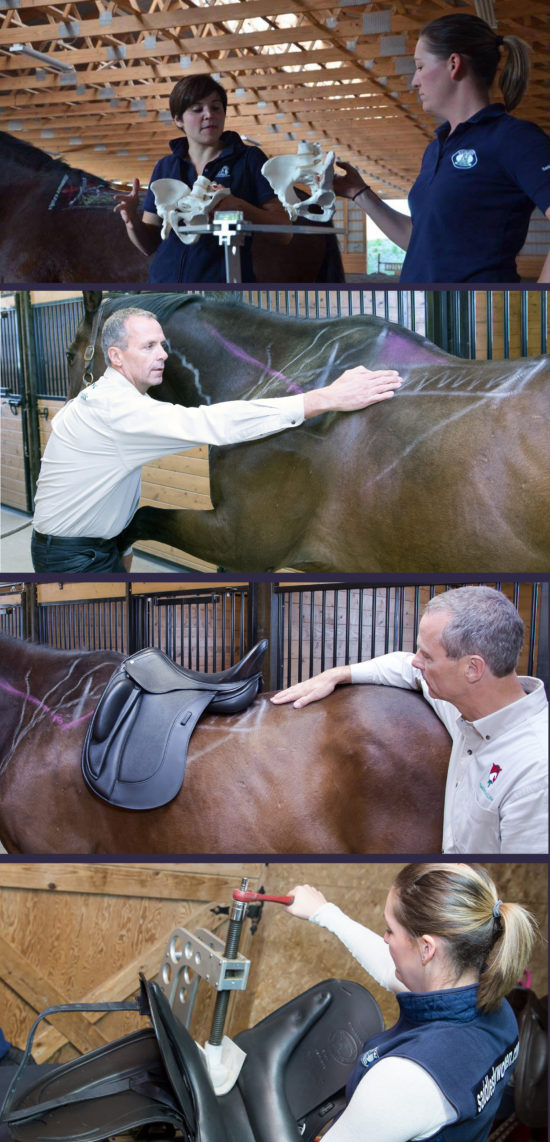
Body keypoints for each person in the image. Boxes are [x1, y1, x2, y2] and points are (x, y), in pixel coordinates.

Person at [31, 307, 402, 573]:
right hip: (74, 557)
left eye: (162, 344)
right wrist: (322, 399)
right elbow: (213, 424)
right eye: (148, 347)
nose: (163, 354)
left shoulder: (104, 397)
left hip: (89, 546)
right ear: (115, 356)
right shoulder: (119, 410)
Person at [271, 586, 548, 853]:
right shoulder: (469, 705)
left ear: (472, 668)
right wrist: (336, 674)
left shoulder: (535, 774)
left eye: (427, 656)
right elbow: (405, 667)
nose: (416, 661)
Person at [284, 865, 538, 1142]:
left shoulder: (405, 1080)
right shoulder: (501, 1015)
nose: (385, 938)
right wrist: (324, 913)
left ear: (427, 949)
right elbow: (389, 966)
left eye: (390, 930)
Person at [334, 14, 550, 283]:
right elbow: (422, 240)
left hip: (478, 318)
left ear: (453, 64)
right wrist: (359, 193)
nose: (414, 81)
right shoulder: (436, 148)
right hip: (424, 314)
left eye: (420, 66)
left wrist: (539, 306)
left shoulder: (514, 138)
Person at [115, 74, 290, 283]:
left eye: (216, 108)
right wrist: (132, 220)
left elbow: (284, 231)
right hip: (164, 283)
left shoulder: (249, 160)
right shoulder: (166, 166)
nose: (209, 115)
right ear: (178, 119)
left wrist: (241, 207)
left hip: (224, 283)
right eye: (197, 109)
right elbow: (149, 245)